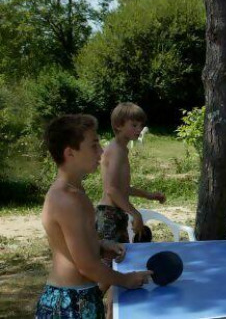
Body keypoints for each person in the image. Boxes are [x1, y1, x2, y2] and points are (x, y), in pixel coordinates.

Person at [36, 115, 151, 318]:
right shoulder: (66, 199)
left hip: (78, 298)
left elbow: (71, 245)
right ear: (70, 153)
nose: (101, 151)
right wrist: (127, 279)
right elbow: (86, 265)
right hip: (71, 304)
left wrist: (101, 245)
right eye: (94, 145)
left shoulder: (74, 191)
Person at [96, 103, 165, 247]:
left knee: (121, 262)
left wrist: (149, 195)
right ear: (118, 125)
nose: (139, 129)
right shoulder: (116, 151)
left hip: (117, 213)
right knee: (112, 264)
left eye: (140, 125)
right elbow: (111, 189)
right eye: (134, 125)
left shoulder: (122, 150)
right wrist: (136, 214)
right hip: (109, 215)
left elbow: (123, 188)